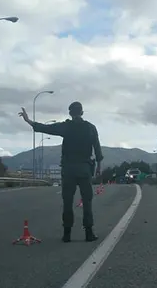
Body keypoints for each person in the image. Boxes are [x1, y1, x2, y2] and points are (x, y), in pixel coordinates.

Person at [18, 101, 102, 242]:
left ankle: (67, 234)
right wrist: (99, 166)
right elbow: (97, 149)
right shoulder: (90, 128)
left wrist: (28, 121)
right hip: (84, 168)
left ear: (70, 113)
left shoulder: (66, 127)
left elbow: (46, 128)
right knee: (87, 201)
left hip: (68, 169)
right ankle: (89, 233)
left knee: (67, 201)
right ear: (82, 112)